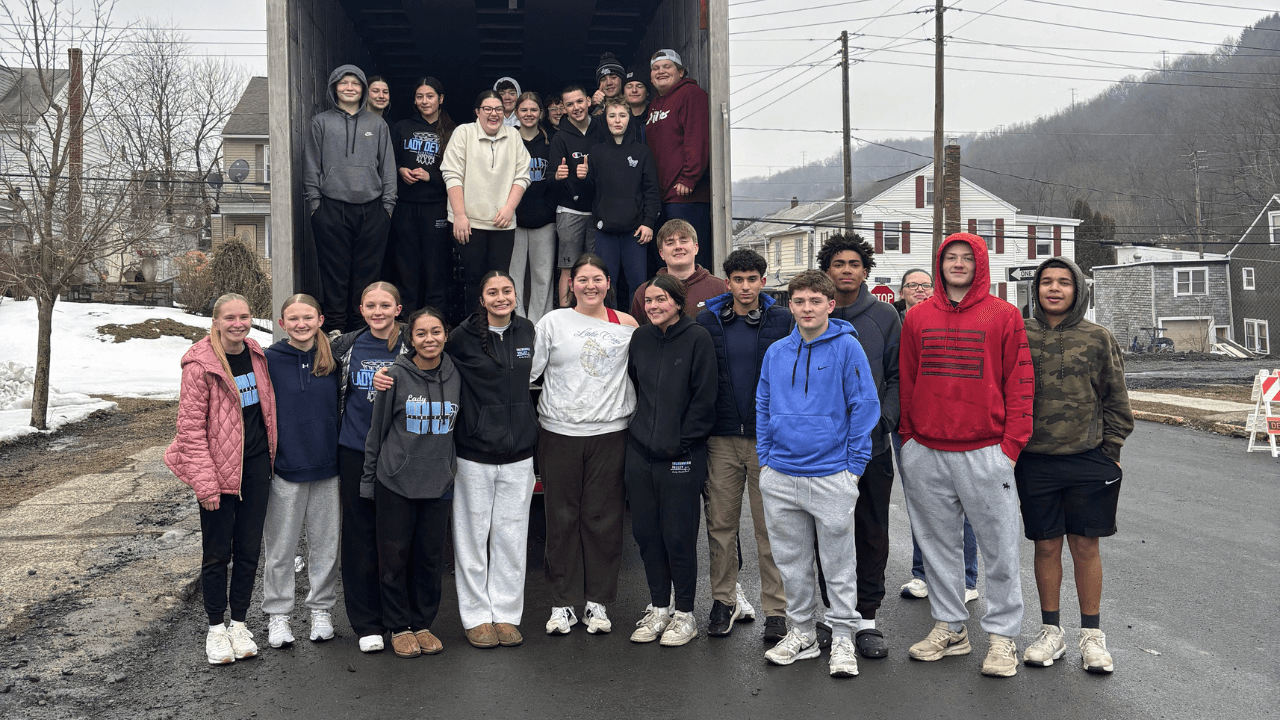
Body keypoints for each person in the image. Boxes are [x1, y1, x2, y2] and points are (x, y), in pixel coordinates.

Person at [898, 233, 1034, 678]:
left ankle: (1002, 637)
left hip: (986, 451)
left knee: (999, 549)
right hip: (926, 450)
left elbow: (1020, 382)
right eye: (950, 257)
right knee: (938, 548)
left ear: (979, 264)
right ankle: (951, 627)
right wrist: (909, 438)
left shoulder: (1003, 315)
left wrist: (1010, 447)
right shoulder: (918, 316)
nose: (958, 264)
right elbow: (908, 377)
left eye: (966, 258)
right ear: (939, 264)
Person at [756, 271, 879, 678]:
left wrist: (853, 468)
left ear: (830, 305)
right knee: (791, 563)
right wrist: (766, 459)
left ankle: (842, 636)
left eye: (814, 301)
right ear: (789, 305)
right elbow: (763, 403)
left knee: (838, 564)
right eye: (799, 301)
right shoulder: (776, 352)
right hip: (781, 475)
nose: (807, 308)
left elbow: (864, 406)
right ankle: (803, 632)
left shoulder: (847, 347)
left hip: (831, 475)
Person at [1018, 257, 1133, 675]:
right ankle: (1051, 631)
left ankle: (1092, 635)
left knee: (1085, 546)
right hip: (1034, 461)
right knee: (1046, 546)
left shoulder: (1098, 337)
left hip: (1089, 459)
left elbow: (1116, 398)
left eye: (1063, 282)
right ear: (1036, 289)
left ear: (1078, 289)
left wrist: (1111, 450)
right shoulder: (1019, 334)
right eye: (1046, 281)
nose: (1054, 288)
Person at [165, 293, 277, 665]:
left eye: (244, 316)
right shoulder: (200, 364)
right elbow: (190, 431)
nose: (238, 323)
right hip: (216, 471)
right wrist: (205, 482)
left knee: (248, 550)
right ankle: (215, 629)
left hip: (255, 468)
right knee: (217, 554)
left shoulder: (256, 354)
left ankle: (239, 624)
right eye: (229, 317)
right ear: (215, 322)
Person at [530, 254, 639, 636]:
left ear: (608, 283)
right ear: (570, 284)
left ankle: (597, 603)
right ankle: (562, 604)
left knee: (603, 520)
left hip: (610, 433)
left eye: (597, 279)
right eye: (582, 279)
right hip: (559, 432)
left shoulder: (626, 324)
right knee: (560, 520)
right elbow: (529, 373)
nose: (590, 286)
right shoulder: (552, 323)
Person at [696, 249, 791, 640]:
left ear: (763, 282)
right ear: (728, 283)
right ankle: (724, 600)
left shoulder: (783, 320)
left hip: (768, 441)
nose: (746, 286)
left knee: (770, 530)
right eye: (738, 279)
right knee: (720, 525)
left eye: (753, 279)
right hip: (721, 439)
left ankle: (776, 611)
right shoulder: (707, 321)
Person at [817, 234, 900, 659]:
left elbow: (898, 376)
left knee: (870, 532)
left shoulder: (884, 316)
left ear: (865, 270)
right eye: (838, 263)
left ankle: (866, 618)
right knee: (828, 533)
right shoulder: (813, 312)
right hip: (822, 451)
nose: (846, 270)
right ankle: (833, 613)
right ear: (826, 271)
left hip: (872, 449)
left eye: (854, 263)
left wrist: (883, 421)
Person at [447, 271, 540, 649]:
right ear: (482, 299)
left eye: (507, 291)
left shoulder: (528, 331)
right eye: (493, 292)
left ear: (516, 295)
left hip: (520, 454)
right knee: (471, 537)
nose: (501, 297)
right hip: (474, 452)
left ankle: (506, 614)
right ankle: (475, 616)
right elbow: (432, 367)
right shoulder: (461, 337)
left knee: (511, 537)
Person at [625, 275, 717, 646]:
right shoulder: (640, 338)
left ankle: (686, 614)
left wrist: (680, 442)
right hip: (640, 453)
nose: (653, 306)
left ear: (678, 302)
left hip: (682, 455)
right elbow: (636, 387)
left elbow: (705, 398)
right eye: (648, 301)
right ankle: (659, 608)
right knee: (647, 535)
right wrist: (642, 436)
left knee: (678, 536)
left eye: (661, 299)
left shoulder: (698, 338)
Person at [362, 307, 459, 659]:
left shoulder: (456, 374)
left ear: (446, 335)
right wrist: (368, 480)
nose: (429, 339)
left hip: (438, 482)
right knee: (394, 557)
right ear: (411, 339)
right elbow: (378, 431)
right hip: (396, 481)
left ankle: (422, 624)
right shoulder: (394, 376)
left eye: (436, 331)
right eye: (421, 333)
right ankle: (399, 626)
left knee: (430, 559)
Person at [331, 282, 409, 654]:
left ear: (398, 309)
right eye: (371, 305)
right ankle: (366, 623)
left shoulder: (413, 343)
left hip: (399, 451)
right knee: (359, 535)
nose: (378, 312)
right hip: (355, 450)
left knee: (396, 536)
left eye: (385, 305)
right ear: (361, 310)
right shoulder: (345, 347)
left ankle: (398, 618)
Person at [894, 267, 980, 605]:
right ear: (901, 292)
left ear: (935, 289)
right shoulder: (893, 323)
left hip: (954, 423)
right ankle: (923, 574)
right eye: (911, 285)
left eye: (925, 285)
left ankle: (966, 578)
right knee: (921, 502)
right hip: (909, 427)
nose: (919, 289)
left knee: (964, 502)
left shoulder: (949, 320)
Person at [261, 294, 341, 650]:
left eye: (308, 317)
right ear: (282, 324)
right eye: (293, 318)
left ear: (320, 319)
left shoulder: (334, 360)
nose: (301, 324)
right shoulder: (269, 360)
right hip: (286, 468)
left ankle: (321, 610)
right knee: (281, 548)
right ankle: (278, 615)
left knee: (325, 547)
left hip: (327, 467)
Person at [303, 64, 397, 334]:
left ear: (363, 89)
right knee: (334, 273)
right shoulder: (320, 122)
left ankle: (362, 330)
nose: (349, 88)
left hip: (373, 209)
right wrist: (315, 205)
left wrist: (387, 207)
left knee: (367, 275)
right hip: (331, 207)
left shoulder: (377, 124)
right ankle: (335, 330)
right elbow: (311, 165)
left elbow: (388, 167)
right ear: (334, 88)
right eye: (343, 83)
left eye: (355, 83)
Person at [440, 90, 531, 312]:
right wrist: (459, 215)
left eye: (498, 109)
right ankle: (476, 327)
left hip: (503, 223)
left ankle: (498, 326)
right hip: (468, 223)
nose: (494, 114)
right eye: (487, 109)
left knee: (499, 280)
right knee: (475, 281)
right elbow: (452, 174)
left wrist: (509, 208)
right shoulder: (464, 133)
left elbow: (522, 176)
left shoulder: (513, 136)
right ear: (477, 112)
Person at [587, 97, 660, 309]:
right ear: (605, 120)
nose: (617, 120)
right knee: (605, 284)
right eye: (612, 115)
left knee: (638, 285)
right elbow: (589, 192)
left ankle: (637, 326)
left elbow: (651, 191)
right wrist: (581, 177)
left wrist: (648, 222)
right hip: (605, 230)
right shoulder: (596, 152)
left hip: (635, 231)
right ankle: (607, 324)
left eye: (622, 115)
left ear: (630, 119)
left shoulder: (642, 152)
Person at [392, 77, 455, 317]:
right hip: (405, 207)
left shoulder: (453, 131)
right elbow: (387, 161)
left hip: (436, 207)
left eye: (430, 96)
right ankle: (407, 323)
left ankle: (435, 322)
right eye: (420, 97)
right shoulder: (402, 127)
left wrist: (432, 177)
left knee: (435, 268)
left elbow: (461, 172)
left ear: (441, 99)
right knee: (406, 267)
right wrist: (400, 170)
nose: (425, 101)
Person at [646, 49, 713, 271]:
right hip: (663, 196)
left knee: (689, 259)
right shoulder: (655, 104)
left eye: (667, 67)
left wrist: (689, 177)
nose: (661, 71)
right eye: (656, 68)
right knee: (668, 260)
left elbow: (698, 138)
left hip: (685, 195)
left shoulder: (691, 94)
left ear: (681, 72)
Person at [549, 85, 608, 306]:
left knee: (595, 269)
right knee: (568, 268)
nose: (576, 107)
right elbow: (549, 179)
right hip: (569, 211)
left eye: (579, 102)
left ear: (588, 101)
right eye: (570, 104)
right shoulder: (559, 138)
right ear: (564, 109)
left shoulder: (602, 129)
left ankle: (594, 313)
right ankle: (565, 314)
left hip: (598, 211)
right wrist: (558, 176)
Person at [510, 92, 557, 323]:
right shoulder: (508, 139)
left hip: (544, 220)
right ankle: (517, 324)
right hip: (514, 220)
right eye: (524, 110)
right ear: (516, 113)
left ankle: (540, 326)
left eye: (533, 110)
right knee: (513, 277)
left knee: (543, 277)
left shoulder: (552, 141)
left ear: (541, 113)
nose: (529, 114)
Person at [629, 219, 725, 322]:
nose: (678, 247)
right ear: (661, 253)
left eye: (684, 241)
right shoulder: (644, 292)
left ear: (696, 248)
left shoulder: (720, 288)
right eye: (670, 243)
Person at [623, 67, 650, 144]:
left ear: (647, 92)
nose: (634, 90)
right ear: (623, 93)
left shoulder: (655, 116)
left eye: (639, 86)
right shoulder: (618, 119)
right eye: (629, 86)